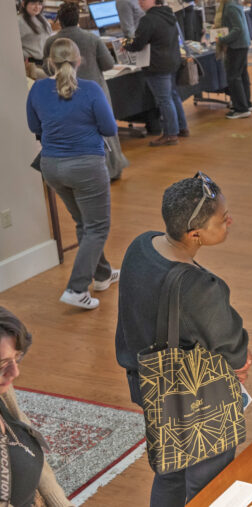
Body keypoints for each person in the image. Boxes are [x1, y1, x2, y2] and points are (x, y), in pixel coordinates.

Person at [114, 174, 252, 506]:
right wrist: (240, 364)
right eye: (223, 218)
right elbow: (233, 345)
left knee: (170, 472)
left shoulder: (141, 245)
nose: (229, 220)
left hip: (149, 383)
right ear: (195, 235)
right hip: (197, 395)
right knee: (210, 480)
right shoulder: (199, 288)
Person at [26, 39, 118, 309]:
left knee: (84, 224)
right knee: (97, 227)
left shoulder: (38, 88)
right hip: (86, 166)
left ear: (50, 62)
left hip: (52, 166)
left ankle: (101, 275)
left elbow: (34, 125)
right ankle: (77, 288)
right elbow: (110, 128)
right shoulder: (89, 89)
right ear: (80, 61)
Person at [44, 2, 128, 179]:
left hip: (62, 91)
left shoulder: (51, 41)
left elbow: (47, 69)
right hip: (95, 89)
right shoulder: (92, 39)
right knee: (105, 130)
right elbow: (108, 64)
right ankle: (113, 168)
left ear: (59, 21)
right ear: (78, 20)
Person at [0, 307, 73, 507]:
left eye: (17, 358)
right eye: (2, 363)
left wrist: (59, 502)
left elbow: (24, 432)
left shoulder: (4, 392)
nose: (14, 372)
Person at [125, 0, 189, 147]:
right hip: (172, 61)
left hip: (157, 64)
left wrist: (126, 45)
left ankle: (170, 134)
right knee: (173, 96)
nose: (140, 2)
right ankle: (182, 127)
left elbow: (138, 44)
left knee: (164, 100)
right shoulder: (168, 14)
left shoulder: (148, 20)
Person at [211, 0, 252, 119]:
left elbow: (237, 29)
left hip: (237, 45)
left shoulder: (230, 6)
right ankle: (246, 103)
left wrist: (222, 39)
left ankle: (241, 108)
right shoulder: (230, 3)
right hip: (240, 44)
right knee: (241, 75)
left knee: (234, 76)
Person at [18, 0, 52, 80]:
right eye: (33, 3)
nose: (37, 7)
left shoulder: (41, 17)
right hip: (33, 65)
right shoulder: (19, 21)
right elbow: (12, 45)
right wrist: (25, 55)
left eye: (40, 3)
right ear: (23, 4)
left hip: (46, 62)